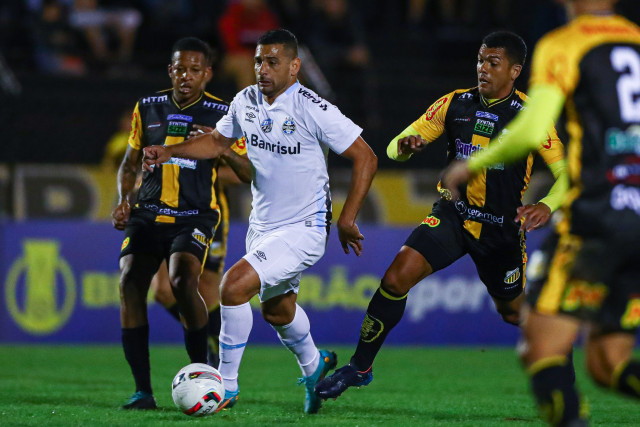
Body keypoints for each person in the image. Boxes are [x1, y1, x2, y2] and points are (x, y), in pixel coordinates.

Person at [315, 31, 570, 401]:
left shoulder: (531, 117)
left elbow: (567, 175)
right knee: (396, 277)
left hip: (500, 231)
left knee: (514, 313)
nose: (483, 68)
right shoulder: (455, 103)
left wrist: (547, 204)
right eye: (481, 60)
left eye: (493, 63)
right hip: (452, 215)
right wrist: (404, 146)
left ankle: (559, 357)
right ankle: (360, 367)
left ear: (515, 71)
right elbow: (395, 146)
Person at [142, 28, 378, 414]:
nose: (262, 69)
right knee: (278, 311)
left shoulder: (311, 106)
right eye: (257, 61)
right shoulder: (246, 100)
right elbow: (218, 143)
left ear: (294, 66)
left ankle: (226, 386)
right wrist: (168, 151)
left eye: (272, 62)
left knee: (233, 287)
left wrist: (348, 218)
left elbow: (366, 156)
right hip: (264, 225)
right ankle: (315, 366)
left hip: (305, 226)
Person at [441, 1, 640, 425]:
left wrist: (471, 163)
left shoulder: (565, 44)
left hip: (599, 219)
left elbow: (531, 130)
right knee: (609, 363)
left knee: (539, 348)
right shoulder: (636, 41)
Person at [112, 37, 251, 410]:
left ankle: (204, 372)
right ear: (170, 71)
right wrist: (123, 201)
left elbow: (249, 171)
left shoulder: (225, 114)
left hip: (194, 215)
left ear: (207, 74)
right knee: (129, 282)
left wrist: (221, 148)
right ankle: (143, 391)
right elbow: (129, 162)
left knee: (182, 281)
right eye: (179, 69)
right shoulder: (148, 107)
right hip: (147, 212)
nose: (185, 76)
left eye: (194, 70)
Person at [150, 138, 249, 368]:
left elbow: (239, 174)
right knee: (163, 291)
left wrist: (195, 167)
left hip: (206, 211)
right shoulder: (159, 116)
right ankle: (206, 334)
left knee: (207, 288)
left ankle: (217, 348)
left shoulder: (218, 120)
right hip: (164, 212)